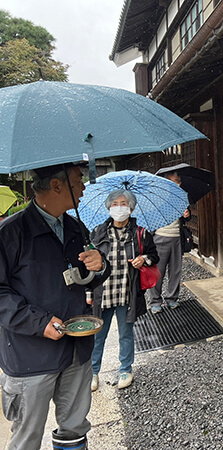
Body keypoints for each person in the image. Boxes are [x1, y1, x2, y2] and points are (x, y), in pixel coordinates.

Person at [0, 163, 110, 450]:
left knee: (74, 428)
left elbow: (86, 279)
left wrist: (100, 266)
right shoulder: (9, 234)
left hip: (76, 348)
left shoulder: (75, 227)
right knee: (27, 438)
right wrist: (39, 322)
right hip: (30, 357)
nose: (84, 186)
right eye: (78, 180)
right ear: (57, 186)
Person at [90, 189, 159, 391]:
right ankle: (93, 372)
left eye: (123, 203)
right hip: (103, 293)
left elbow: (154, 256)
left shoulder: (140, 233)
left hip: (127, 291)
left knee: (126, 334)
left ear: (131, 207)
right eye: (115, 204)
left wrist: (143, 259)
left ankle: (125, 369)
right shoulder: (97, 233)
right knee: (97, 335)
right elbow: (88, 266)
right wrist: (88, 293)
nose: (119, 208)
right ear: (108, 207)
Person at [148, 170, 190, 313]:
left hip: (176, 238)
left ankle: (172, 298)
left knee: (175, 271)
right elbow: (150, 220)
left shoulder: (182, 198)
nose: (175, 184)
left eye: (177, 181)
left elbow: (186, 218)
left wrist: (186, 214)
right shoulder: (156, 198)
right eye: (171, 181)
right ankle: (155, 301)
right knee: (157, 271)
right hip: (160, 238)